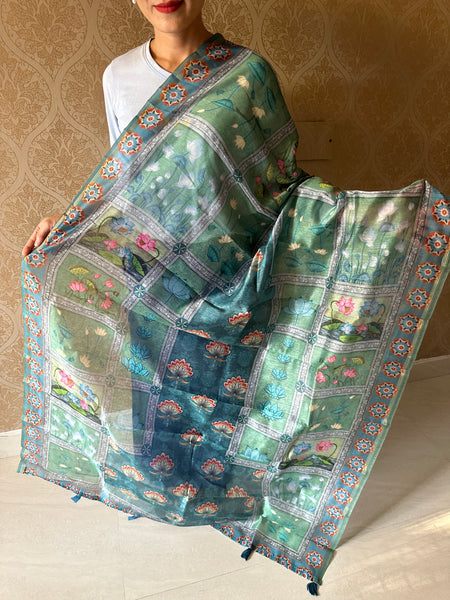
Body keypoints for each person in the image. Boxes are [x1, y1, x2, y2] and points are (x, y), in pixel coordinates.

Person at [22, 0, 211, 257]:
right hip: (148, 260)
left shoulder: (249, 74)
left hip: (229, 268)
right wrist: (69, 223)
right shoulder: (119, 75)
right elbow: (124, 187)